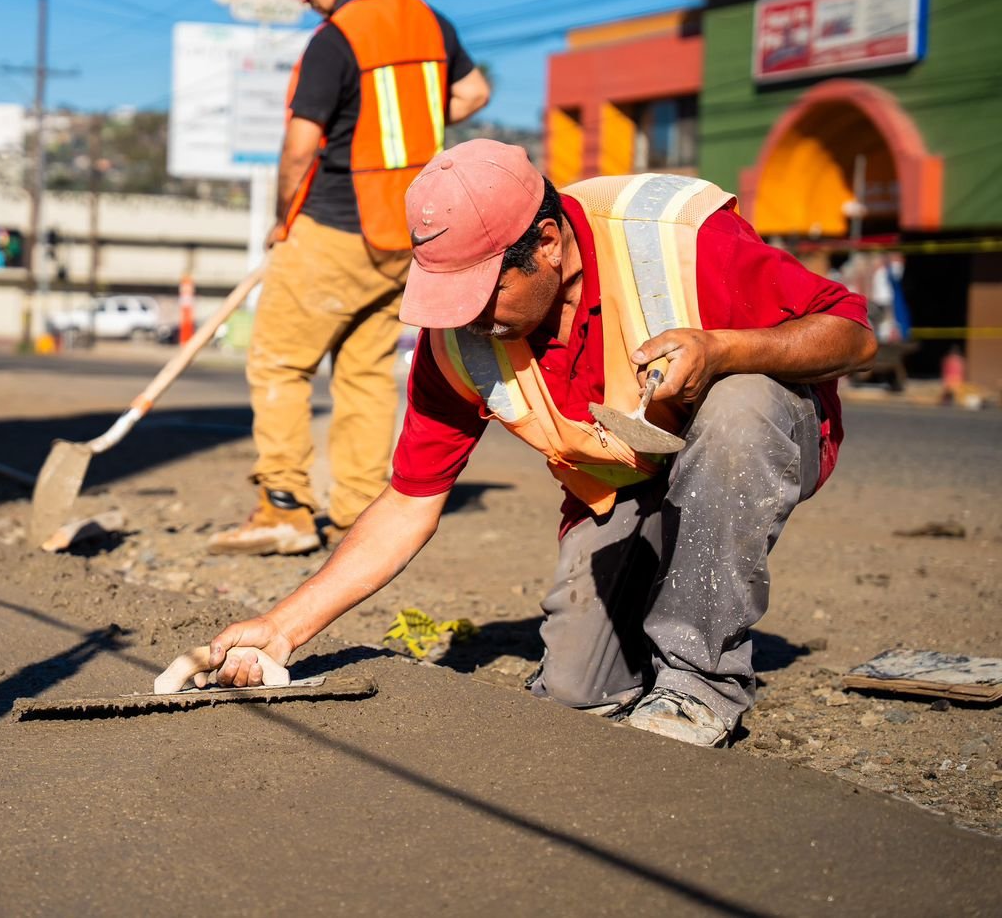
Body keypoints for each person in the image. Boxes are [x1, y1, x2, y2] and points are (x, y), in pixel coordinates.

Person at [196, 140, 877, 747]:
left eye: (482, 291)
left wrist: (723, 349)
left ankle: (699, 684)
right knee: (575, 690)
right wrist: (284, 626)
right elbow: (408, 503)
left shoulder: (674, 239)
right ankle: (663, 612)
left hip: (758, 439)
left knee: (740, 402)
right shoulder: (458, 341)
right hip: (628, 481)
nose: (467, 317)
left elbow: (853, 335)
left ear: (547, 242)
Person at [206, 0, 492, 557]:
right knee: (364, 373)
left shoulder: (337, 38)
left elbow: (299, 147)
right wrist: (412, 122)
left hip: (336, 227)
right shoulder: (428, 20)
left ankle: (283, 507)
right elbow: (473, 92)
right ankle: (358, 513)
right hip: (407, 238)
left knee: (279, 362)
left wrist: (282, 219)